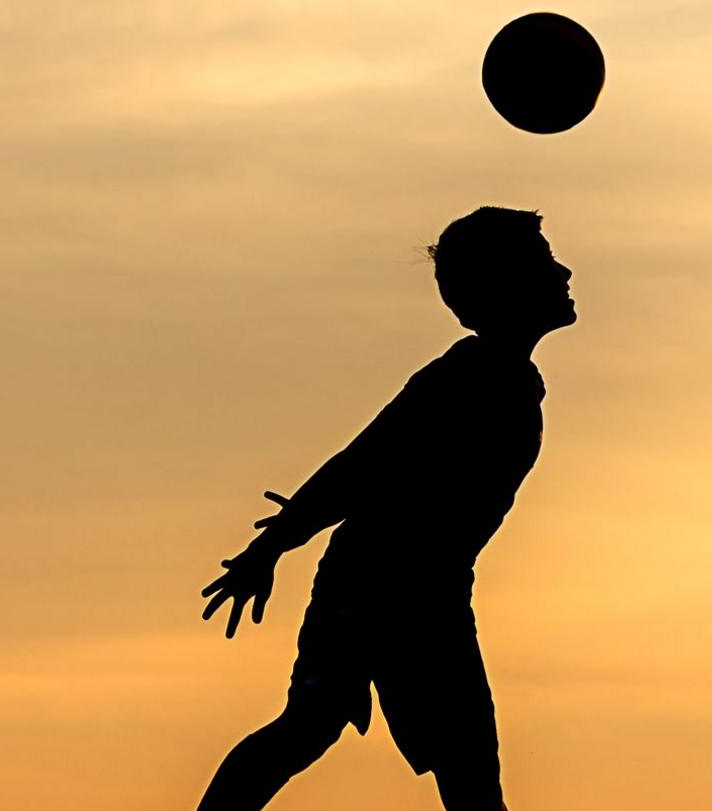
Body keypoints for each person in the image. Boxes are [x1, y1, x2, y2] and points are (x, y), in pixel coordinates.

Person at [197, 206, 576, 811]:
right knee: (323, 731)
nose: (563, 272)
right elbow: (360, 466)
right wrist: (269, 548)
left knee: (356, 740)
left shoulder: (506, 376)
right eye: (543, 262)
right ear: (504, 286)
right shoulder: (467, 378)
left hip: (426, 592)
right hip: (382, 588)